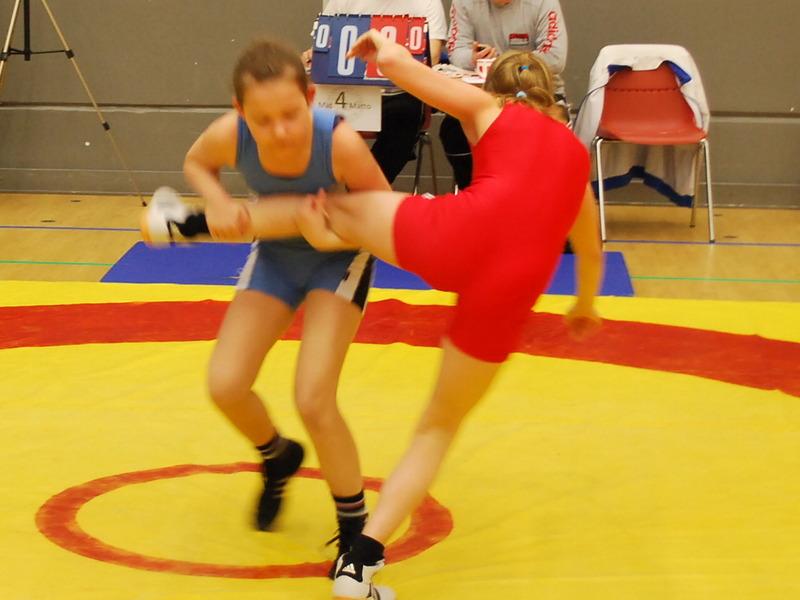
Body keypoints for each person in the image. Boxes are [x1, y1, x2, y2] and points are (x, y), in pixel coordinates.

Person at [144, 30, 603, 600]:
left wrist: (381, 48)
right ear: (557, 105)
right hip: (510, 288)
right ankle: (359, 562)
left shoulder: (489, 109)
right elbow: (590, 250)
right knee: (437, 428)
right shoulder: (577, 163)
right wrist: (584, 306)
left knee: (331, 209)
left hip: (454, 236)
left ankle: (191, 225)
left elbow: (408, 74)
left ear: (498, 91)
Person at [142, 38, 391, 576]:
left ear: (312, 97)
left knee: (314, 398)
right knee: (226, 384)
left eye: (290, 115)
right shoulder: (229, 133)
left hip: (338, 259)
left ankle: (354, 533)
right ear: (240, 111)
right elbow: (197, 162)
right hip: (277, 256)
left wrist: (326, 232)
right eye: (262, 120)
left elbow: (384, 213)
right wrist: (218, 200)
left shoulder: (339, 142)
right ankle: (278, 455)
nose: (279, 131)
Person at [304, 0, 448, 185]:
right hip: (348, 90)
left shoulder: (428, 3)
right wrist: (313, 55)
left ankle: (364, 188)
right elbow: (325, 43)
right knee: (313, 115)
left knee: (405, 115)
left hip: (399, 92)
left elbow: (431, 57)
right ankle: (319, 186)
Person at [442, 0, 568, 190]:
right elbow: (457, 51)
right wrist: (473, 58)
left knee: (534, 129)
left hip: (537, 92)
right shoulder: (464, 3)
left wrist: (503, 64)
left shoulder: (544, 3)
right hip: (484, 94)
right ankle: (475, 193)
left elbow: (555, 58)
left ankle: (529, 195)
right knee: (452, 130)